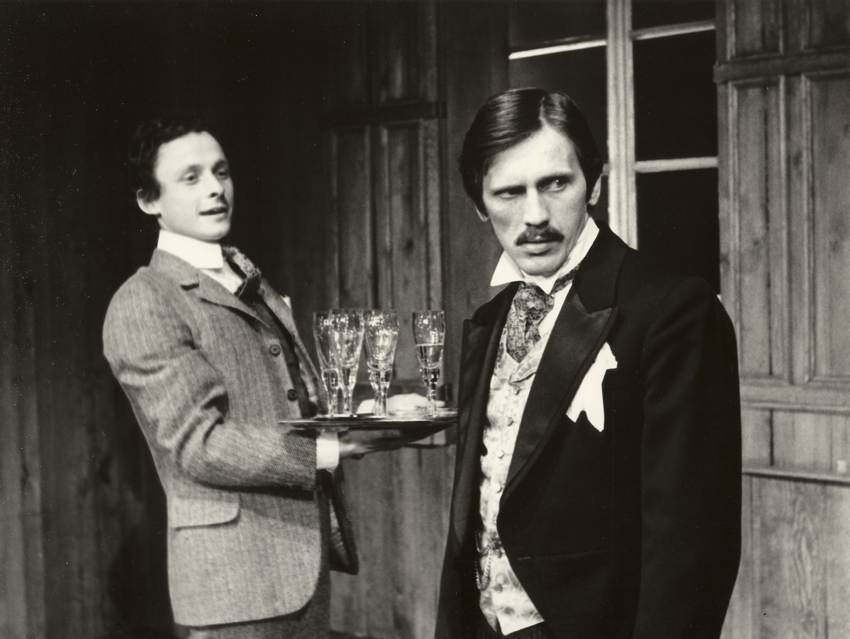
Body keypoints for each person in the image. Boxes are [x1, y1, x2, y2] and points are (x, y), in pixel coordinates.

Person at [436, 88, 742, 639]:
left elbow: (693, 544)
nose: (535, 215)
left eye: (556, 183)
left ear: (593, 184)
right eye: (509, 192)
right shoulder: (489, 320)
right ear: (480, 204)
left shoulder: (672, 311)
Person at [103, 117, 419, 638]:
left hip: (302, 567)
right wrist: (329, 450)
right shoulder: (145, 300)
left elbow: (284, 396)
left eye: (221, 172)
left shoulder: (244, 275)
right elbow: (199, 444)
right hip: (233, 586)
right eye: (190, 178)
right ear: (148, 200)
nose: (214, 188)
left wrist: (375, 411)